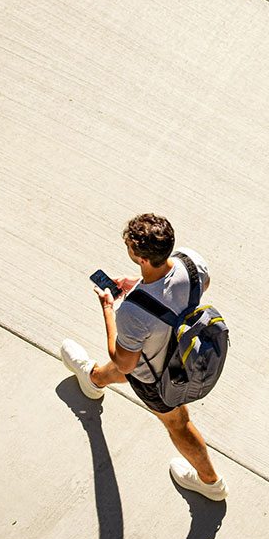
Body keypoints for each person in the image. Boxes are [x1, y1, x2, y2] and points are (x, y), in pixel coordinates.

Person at [61, 213, 227, 500]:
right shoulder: (191, 261)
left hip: (160, 379)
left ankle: (211, 484)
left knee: (178, 422)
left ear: (141, 258)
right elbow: (198, 287)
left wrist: (109, 310)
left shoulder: (132, 314)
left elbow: (125, 362)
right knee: (125, 369)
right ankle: (93, 380)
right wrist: (140, 284)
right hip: (184, 350)